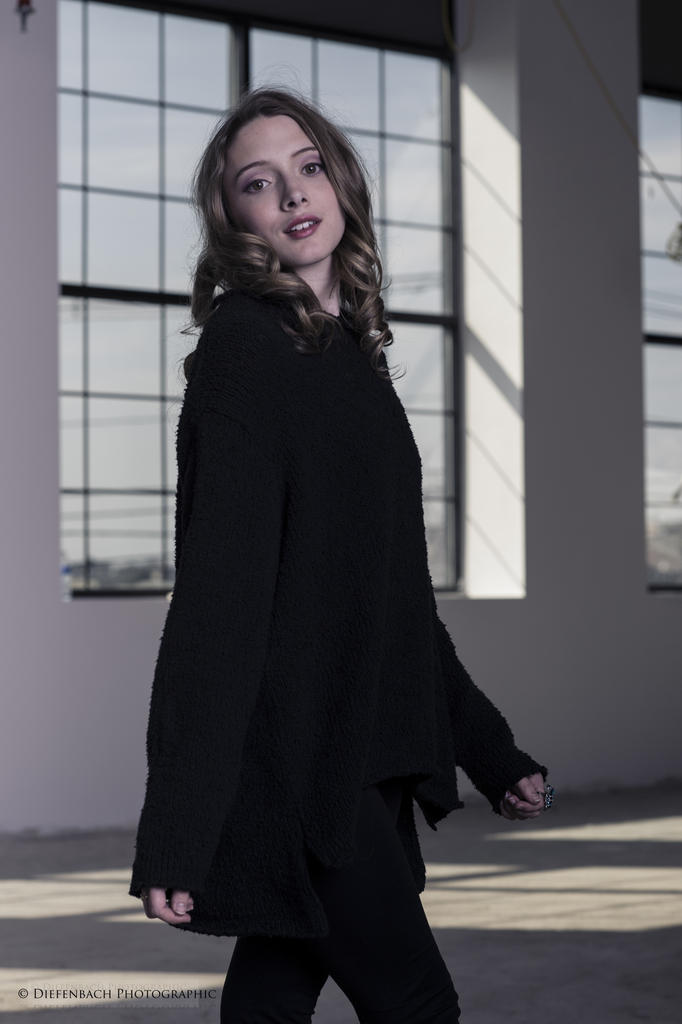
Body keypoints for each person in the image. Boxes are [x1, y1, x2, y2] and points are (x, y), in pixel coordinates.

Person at [128, 87, 552, 1023]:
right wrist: (179, 826)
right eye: (258, 182)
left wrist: (489, 751)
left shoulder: (350, 357)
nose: (291, 194)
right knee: (417, 1003)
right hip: (306, 763)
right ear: (231, 217)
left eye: (309, 166)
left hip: (363, 746)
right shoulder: (246, 352)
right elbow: (218, 606)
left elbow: (394, 602)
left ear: (342, 182)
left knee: (272, 997)